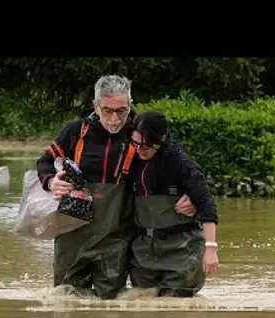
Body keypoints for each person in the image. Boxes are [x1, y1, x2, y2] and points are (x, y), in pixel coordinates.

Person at [36, 75, 196, 299]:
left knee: (108, 302)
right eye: (108, 111)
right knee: (65, 297)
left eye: (121, 111)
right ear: (96, 106)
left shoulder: (142, 133)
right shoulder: (74, 132)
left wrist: (192, 194)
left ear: (130, 105)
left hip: (118, 234)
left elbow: (183, 166)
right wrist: (51, 181)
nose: (115, 118)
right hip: (72, 232)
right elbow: (44, 161)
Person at [128, 110, 219, 297]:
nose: (139, 150)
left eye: (145, 145)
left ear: (161, 139)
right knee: (142, 304)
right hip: (143, 253)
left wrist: (211, 249)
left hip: (182, 252)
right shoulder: (131, 160)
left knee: (176, 311)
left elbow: (207, 205)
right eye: (135, 144)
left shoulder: (179, 161)